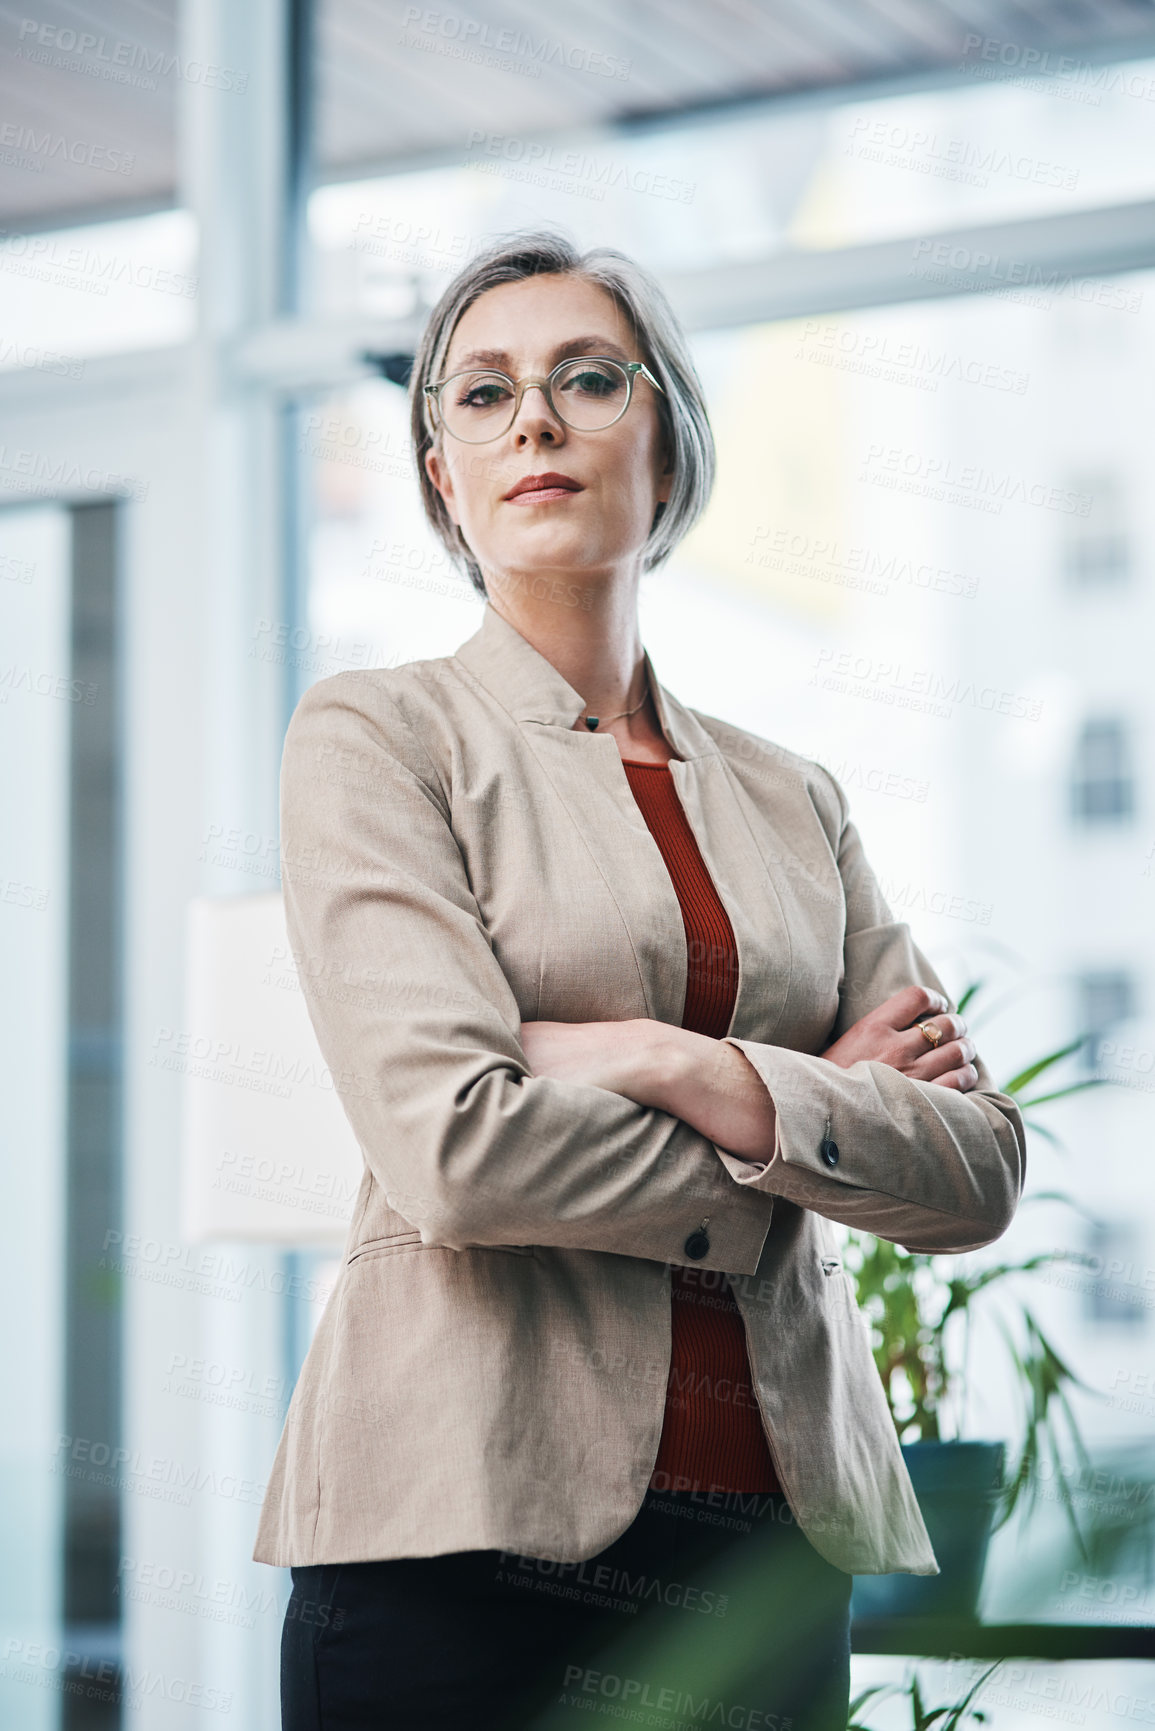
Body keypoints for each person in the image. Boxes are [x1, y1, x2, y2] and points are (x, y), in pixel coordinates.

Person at [256, 229, 1026, 1730]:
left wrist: (674, 1064)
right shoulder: (377, 738)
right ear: (442, 481)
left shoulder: (796, 797)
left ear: (665, 442)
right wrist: (810, 1127)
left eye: (585, 379)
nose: (531, 420)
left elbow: (978, 1169)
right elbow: (458, 1152)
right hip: (453, 1537)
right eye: (479, 396)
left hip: (770, 1550)